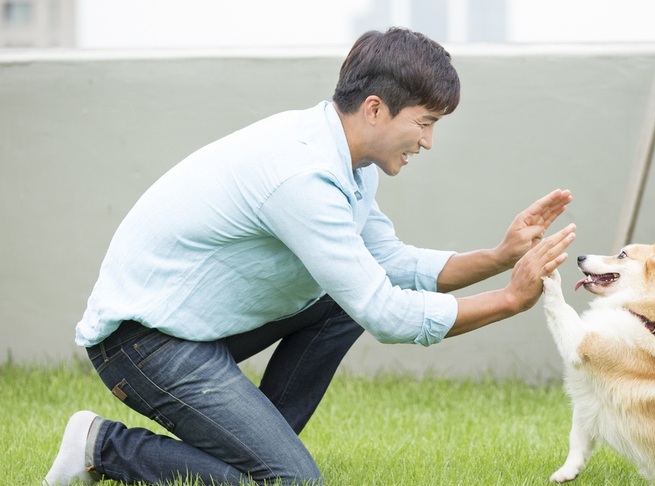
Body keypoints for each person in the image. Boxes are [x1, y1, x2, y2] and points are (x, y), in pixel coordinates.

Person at [43, 27, 576, 486]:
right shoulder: (303, 177)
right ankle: (99, 445)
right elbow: (385, 314)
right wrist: (509, 301)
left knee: (341, 302)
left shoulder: (348, 159)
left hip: (194, 326)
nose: (429, 141)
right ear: (375, 110)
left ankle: (259, 442)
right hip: (142, 343)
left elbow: (386, 261)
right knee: (288, 481)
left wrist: (502, 255)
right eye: (425, 121)